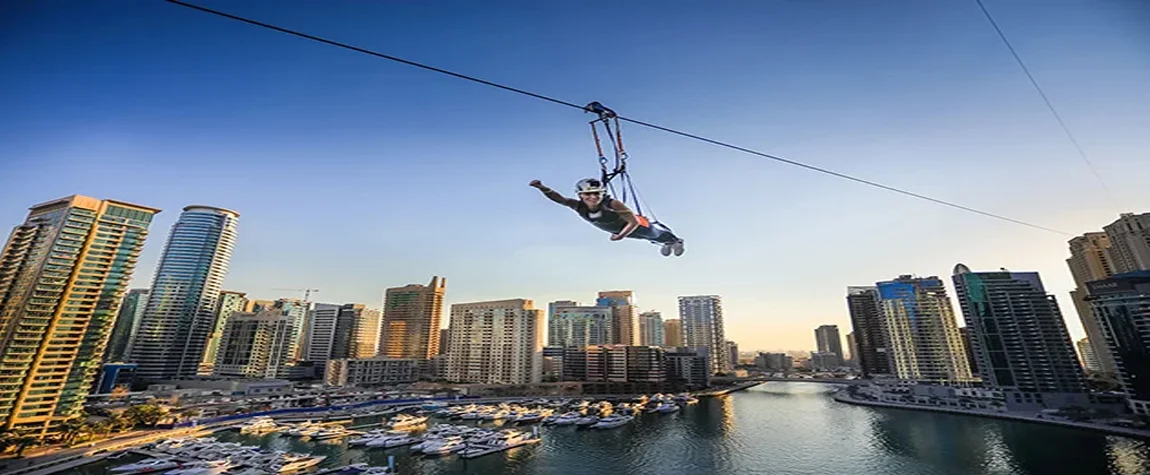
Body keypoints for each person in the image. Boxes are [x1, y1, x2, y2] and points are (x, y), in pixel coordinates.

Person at [530, 178, 684, 256]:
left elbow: (634, 221)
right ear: (581, 195)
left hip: (634, 225)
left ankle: (675, 241)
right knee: (646, 238)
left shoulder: (612, 204)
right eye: (587, 194)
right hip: (620, 230)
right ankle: (666, 243)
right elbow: (560, 199)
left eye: (596, 193)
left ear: (601, 193)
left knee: (654, 232)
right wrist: (542, 187)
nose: (592, 197)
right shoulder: (578, 206)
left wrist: (620, 235)